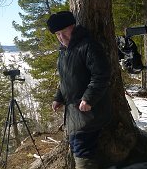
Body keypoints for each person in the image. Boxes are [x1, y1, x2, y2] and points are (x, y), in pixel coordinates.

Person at [47, 11, 111, 169]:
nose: (61, 37)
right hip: (75, 113)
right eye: (57, 34)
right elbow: (66, 80)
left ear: (73, 27)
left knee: (82, 150)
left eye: (64, 32)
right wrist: (58, 97)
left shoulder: (88, 45)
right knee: (80, 148)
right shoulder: (63, 52)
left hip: (89, 112)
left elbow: (101, 75)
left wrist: (89, 98)